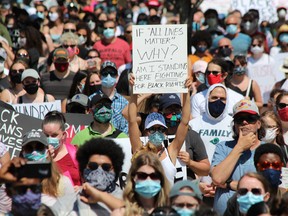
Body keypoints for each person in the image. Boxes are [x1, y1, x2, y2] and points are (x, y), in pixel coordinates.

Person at [129, 74, 191, 185]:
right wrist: (133, 91)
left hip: (167, 202)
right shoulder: (139, 150)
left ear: (165, 132)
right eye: (153, 129)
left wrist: (186, 92)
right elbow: (132, 121)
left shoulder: (171, 151)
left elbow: (185, 122)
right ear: (146, 131)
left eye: (161, 129)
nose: (157, 132)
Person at [210, 99, 264, 215]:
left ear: (258, 124)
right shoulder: (223, 147)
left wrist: (229, 184)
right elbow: (217, 178)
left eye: (250, 119)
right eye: (240, 119)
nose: (244, 122)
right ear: (234, 125)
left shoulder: (267, 150)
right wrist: (239, 147)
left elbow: (272, 185)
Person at [20, 130, 77, 215]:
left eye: (39, 147)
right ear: (23, 152)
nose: (34, 152)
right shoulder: (13, 181)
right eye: (29, 148)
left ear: (47, 151)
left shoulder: (63, 182)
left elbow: (71, 212)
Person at [159, 93, 210, 180]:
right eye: (169, 109)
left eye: (177, 109)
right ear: (161, 112)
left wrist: (190, 162)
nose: (174, 112)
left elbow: (206, 170)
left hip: (186, 188)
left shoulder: (191, 135)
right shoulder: (155, 136)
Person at [225, 143, 286, 216]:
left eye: (275, 165)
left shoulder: (285, 200)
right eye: (265, 165)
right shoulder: (241, 198)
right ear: (257, 167)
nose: (270, 169)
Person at [76, 137, 125, 215]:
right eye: (93, 166)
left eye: (106, 167)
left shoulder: (125, 198)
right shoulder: (73, 197)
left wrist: (101, 197)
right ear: (84, 167)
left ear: (115, 169)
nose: (99, 171)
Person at [111, 151, 170, 215]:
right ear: (133, 178)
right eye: (142, 176)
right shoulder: (121, 213)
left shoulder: (172, 211)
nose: (148, 180)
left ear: (161, 178)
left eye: (154, 176)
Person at [42, 111, 81, 186]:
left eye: (54, 135)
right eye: (46, 135)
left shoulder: (76, 153)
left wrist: (81, 188)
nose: (49, 139)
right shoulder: (38, 155)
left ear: (63, 135)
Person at [89, 61, 129, 134]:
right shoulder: (90, 99)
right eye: (105, 73)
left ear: (117, 76)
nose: (108, 76)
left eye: (112, 73)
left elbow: (127, 126)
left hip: (119, 141)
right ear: (99, 75)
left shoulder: (124, 102)